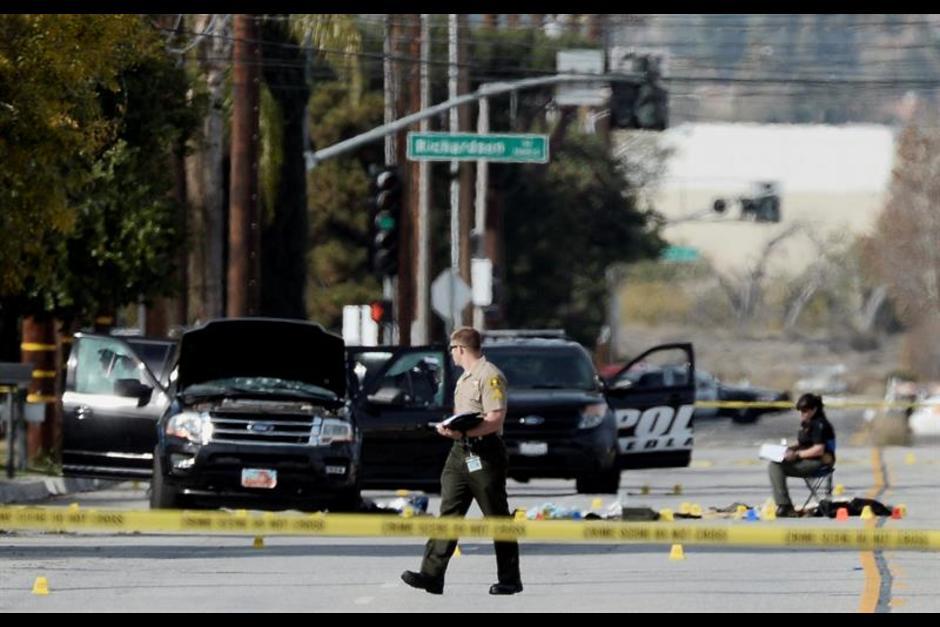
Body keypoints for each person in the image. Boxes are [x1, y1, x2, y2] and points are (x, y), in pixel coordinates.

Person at [401, 327, 522, 596]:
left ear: (460, 349)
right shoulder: (464, 378)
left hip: (485, 453)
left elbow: (494, 419)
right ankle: (431, 575)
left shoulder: (489, 376)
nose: (452, 355)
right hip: (460, 451)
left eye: (452, 350)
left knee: (496, 517)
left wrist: (464, 431)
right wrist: (451, 429)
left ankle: (510, 579)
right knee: (449, 513)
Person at [769, 393, 836, 517]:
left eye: (805, 411)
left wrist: (797, 455)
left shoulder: (819, 424)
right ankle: (784, 505)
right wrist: (788, 449)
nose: (802, 414)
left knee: (775, 466)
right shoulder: (807, 423)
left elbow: (818, 449)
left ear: (814, 409)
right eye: (800, 411)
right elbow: (802, 443)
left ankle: (785, 506)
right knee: (775, 463)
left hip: (818, 463)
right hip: (806, 459)